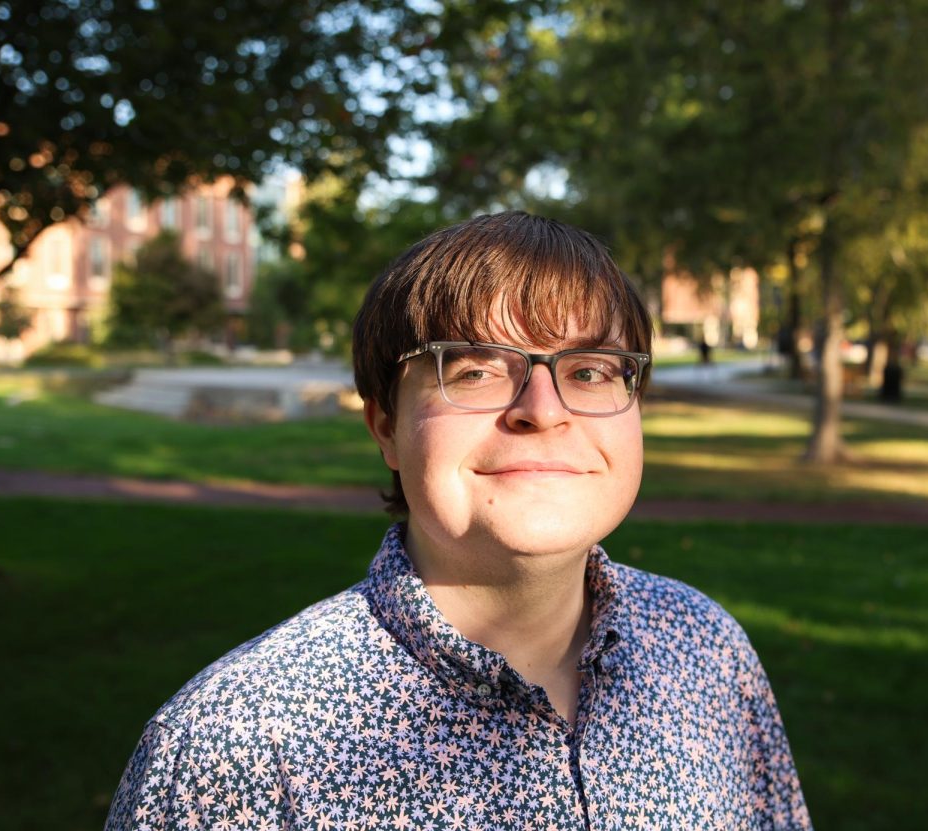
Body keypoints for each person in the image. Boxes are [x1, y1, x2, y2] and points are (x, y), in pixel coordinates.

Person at [105, 212, 812, 830]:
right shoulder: (234, 748)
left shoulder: (708, 651)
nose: (543, 407)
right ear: (385, 424)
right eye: (475, 370)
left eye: (591, 370)